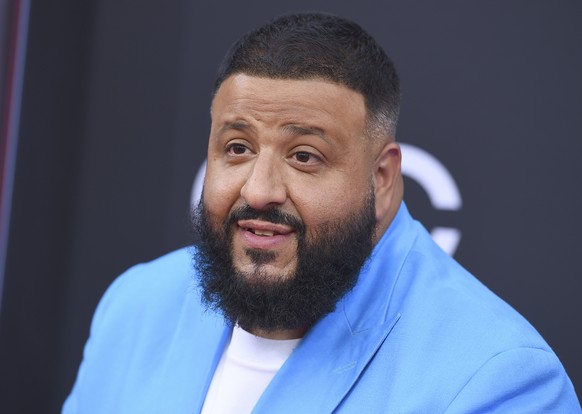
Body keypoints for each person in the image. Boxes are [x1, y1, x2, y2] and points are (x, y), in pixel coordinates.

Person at [63, 12, 580, 413]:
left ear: (382, 180)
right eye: (238, 148)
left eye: (304, 156)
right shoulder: (133, 308)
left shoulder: (499, 380)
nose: (260, 190)